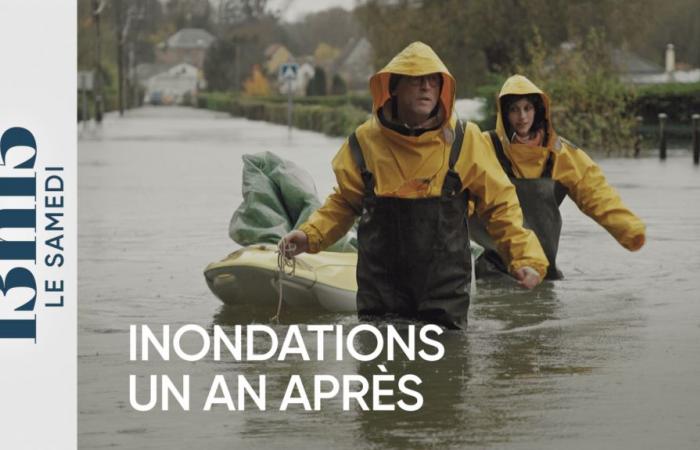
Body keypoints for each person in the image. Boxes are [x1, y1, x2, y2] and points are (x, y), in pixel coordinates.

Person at [280, 42, 548, 329]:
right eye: (416, 80)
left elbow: (500, 205)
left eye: (433, 81)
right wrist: (310, 236)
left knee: (444, 370)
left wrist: (524, 257)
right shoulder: (363, 142)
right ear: (393, 87)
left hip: (444, 299)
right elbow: (345, 202)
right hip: (379, 297)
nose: (426, 87)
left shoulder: (465, 139)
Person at [469, 74, 646, 280]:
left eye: (528, 108)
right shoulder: (485, 146)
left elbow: (595, 192)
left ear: (538, 110)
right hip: (494, 267)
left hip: (543, 267)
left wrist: (628, 229)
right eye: (514, 110)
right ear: (504, 114)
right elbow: (463, 186)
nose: (522, 117)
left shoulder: (560, 152)